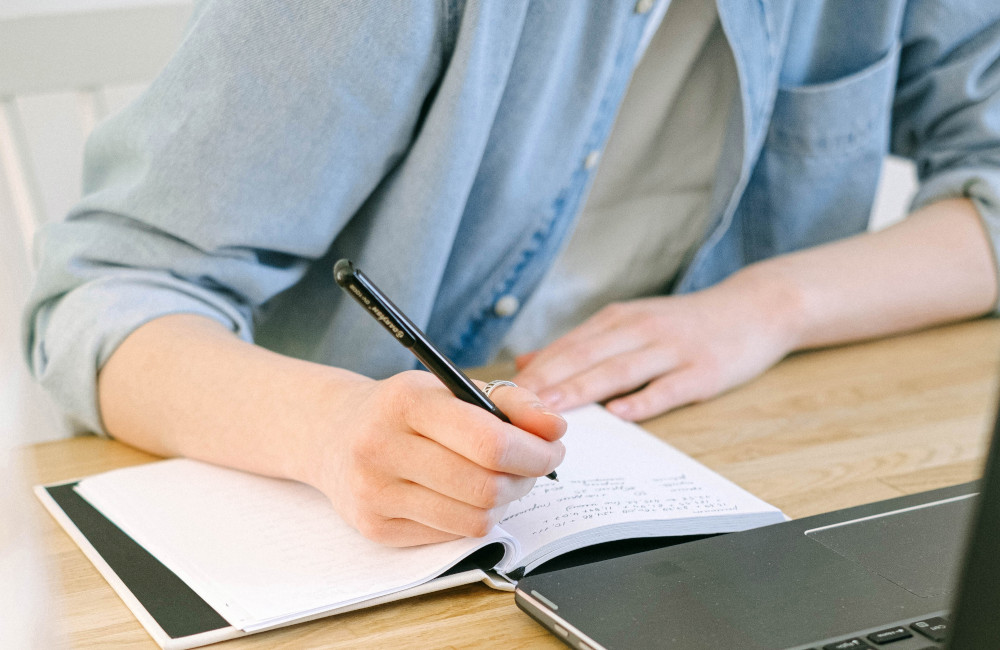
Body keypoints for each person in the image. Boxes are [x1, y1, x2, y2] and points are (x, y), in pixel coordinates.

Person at [23, 0, 1000, 547]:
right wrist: (329, 428)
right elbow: (104, 295)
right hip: (363, 536)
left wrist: (764, 308)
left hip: (722, 498)